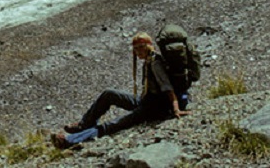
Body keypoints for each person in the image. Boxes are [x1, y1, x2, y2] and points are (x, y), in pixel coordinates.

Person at [50, 31, 190, 149]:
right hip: (145, 101)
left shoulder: (155, 64)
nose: (136, 52)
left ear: (146, 47)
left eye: (139, 48)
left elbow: (167, 87)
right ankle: (84, 125)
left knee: (112, 125)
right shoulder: (149, 60)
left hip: (152, 109)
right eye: (135, 49)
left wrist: (175, 108)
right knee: (109, 94)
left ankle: (70, 141)